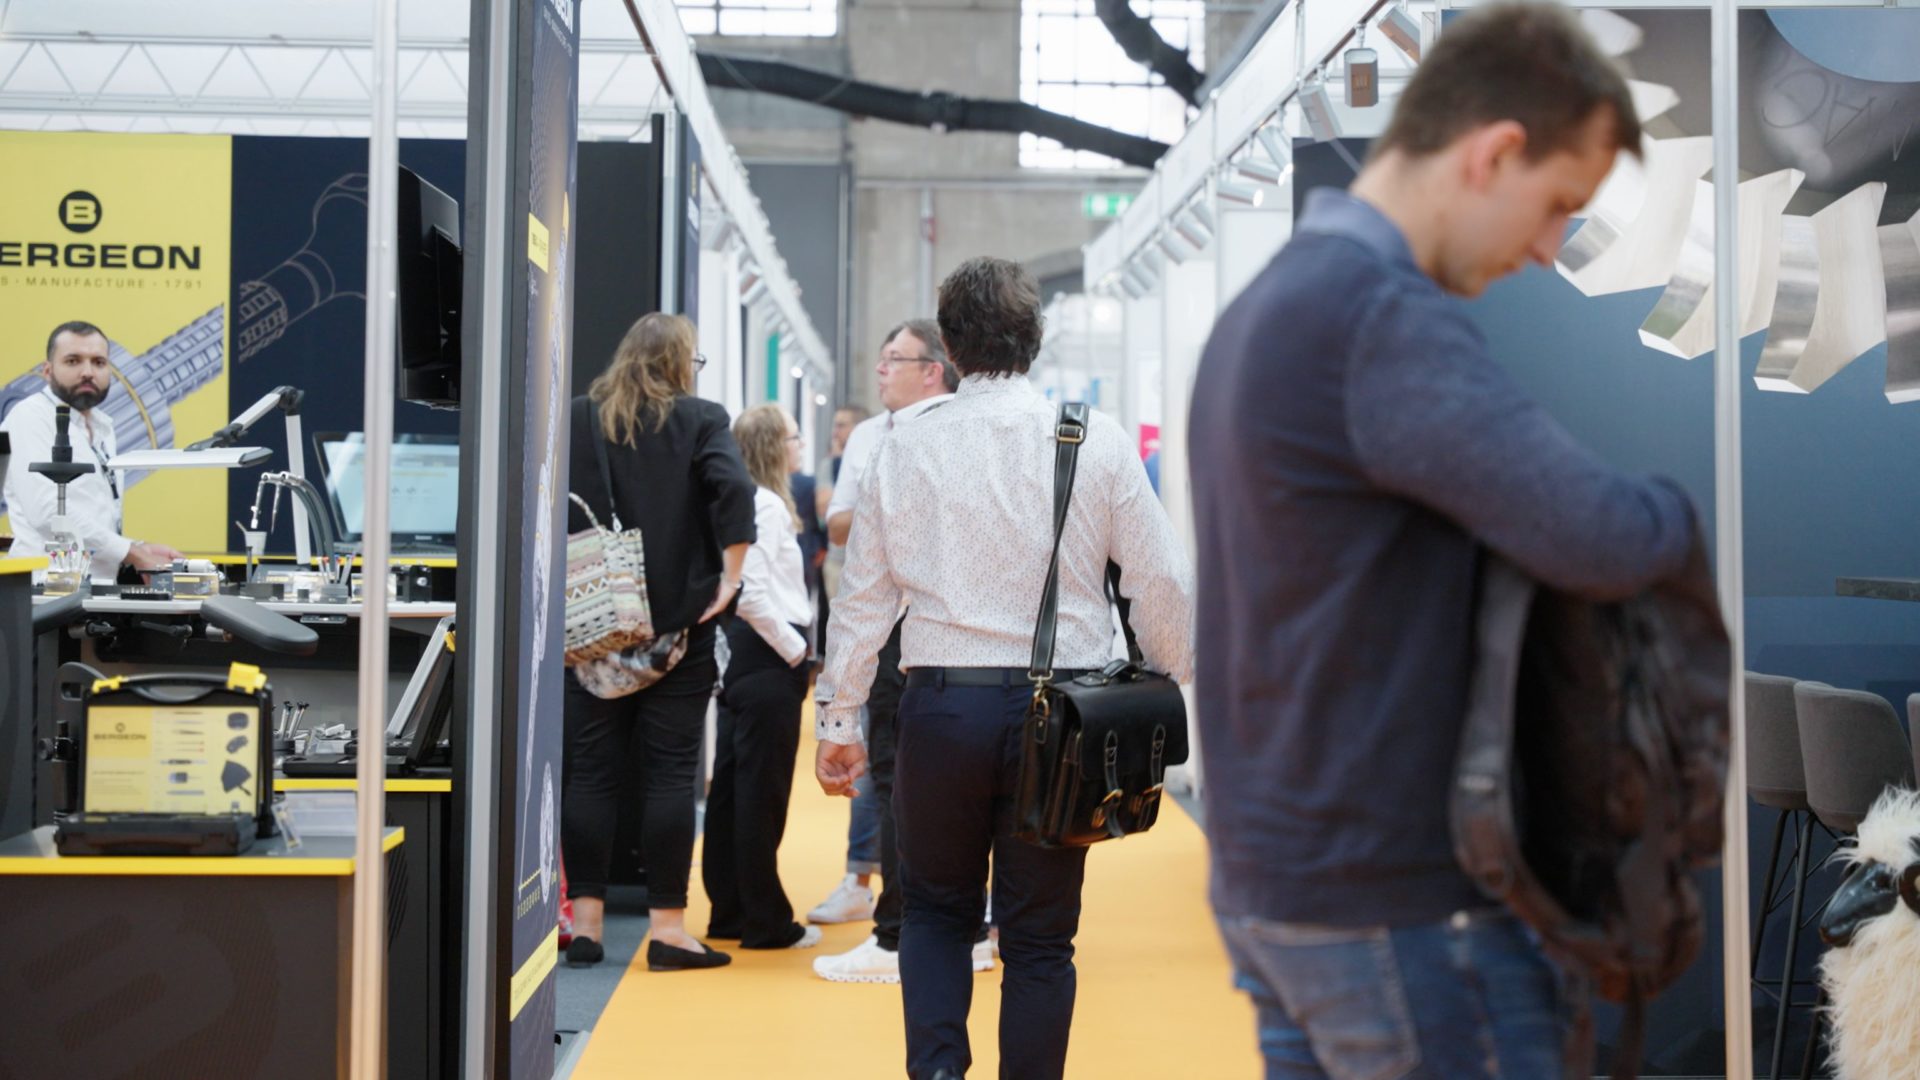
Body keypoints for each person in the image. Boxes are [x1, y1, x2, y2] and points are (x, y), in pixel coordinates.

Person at [1188, 5, 1698, 1075]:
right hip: (1396, 905)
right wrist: (1672, 513)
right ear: (1494, 152)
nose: (1548, 249)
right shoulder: (1377, 318)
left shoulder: (1271, 308)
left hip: (1282, 883)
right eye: (1558, 205)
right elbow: (1602, 535)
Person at [816, 257, 1194, 1079]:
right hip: (1061, 722)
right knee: (1040, 939)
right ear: (1035, 338)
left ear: (950, 348)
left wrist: (840, 717)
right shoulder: (1092, 438)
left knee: (935, 914)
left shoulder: (904, 445)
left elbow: (865, 598)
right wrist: (1172, 670)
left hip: (940, 709)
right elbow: (1160, 577)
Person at [562, 312, 757, 973]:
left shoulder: (578, 418)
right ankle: (668, 931)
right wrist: (729, 578)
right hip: (678, 625)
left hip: (594, 623)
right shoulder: (700, 419)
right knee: (671, 774)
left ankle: (586, 927)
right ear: (680, 362)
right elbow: (734, 489)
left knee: (591, 772)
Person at [808, 321, 961, 983]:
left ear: (933, 369)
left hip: (956, 630)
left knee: (952, 786)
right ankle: (899, 923)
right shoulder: (873, 437)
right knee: (896, 778)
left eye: (894, 359)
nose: (880, 370)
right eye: (881, 358)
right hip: (893, 630)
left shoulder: (965, 432)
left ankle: (924, 931)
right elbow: (842, 526)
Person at [702, 404, 823, 951]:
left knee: (734, 788)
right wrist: (796, 651)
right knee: (760, 794)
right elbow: (749, 592)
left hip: (744, 658)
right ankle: (767, 920)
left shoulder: (739, 501)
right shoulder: (766, 506)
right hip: (769, 655)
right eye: (794, 438)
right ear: (775, 446)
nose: (800, 447)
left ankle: (730, 910)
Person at [1, 321, 184, 581]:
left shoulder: (103, 425)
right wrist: (133, 554)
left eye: (98, 362)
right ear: (47, 371)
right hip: (43, 589)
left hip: (94, 587)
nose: (87, 372)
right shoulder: (29, 417)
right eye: (73, 361)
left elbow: (93, 515)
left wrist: (140, 548)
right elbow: (48, 513)